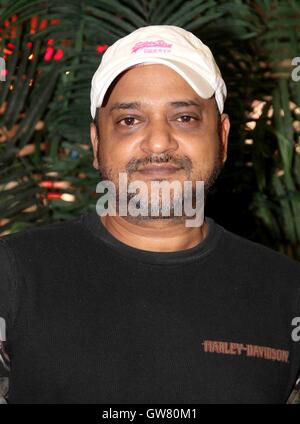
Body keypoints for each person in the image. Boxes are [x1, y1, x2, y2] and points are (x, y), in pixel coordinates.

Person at [0, 25, 300, 404]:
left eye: (185, 118)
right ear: (96, 143)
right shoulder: (12, 275)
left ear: (222, 137)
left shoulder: (287, 293)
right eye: (130, 120)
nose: (159, 142)